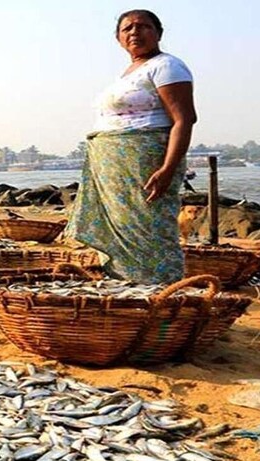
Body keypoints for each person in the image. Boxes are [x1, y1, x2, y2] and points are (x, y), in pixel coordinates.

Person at [64, 9, 197, 284]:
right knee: (121, 227)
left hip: (146, 161)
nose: (135, 32)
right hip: (114, 166)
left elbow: (184, 119)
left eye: (143, 26)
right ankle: (128, 285)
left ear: (158, 33)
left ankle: (162, 289)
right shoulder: (128, 73)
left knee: (149, 226)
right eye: (127, 28)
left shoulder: (167, 66)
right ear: (119, 38)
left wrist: (167, 168)